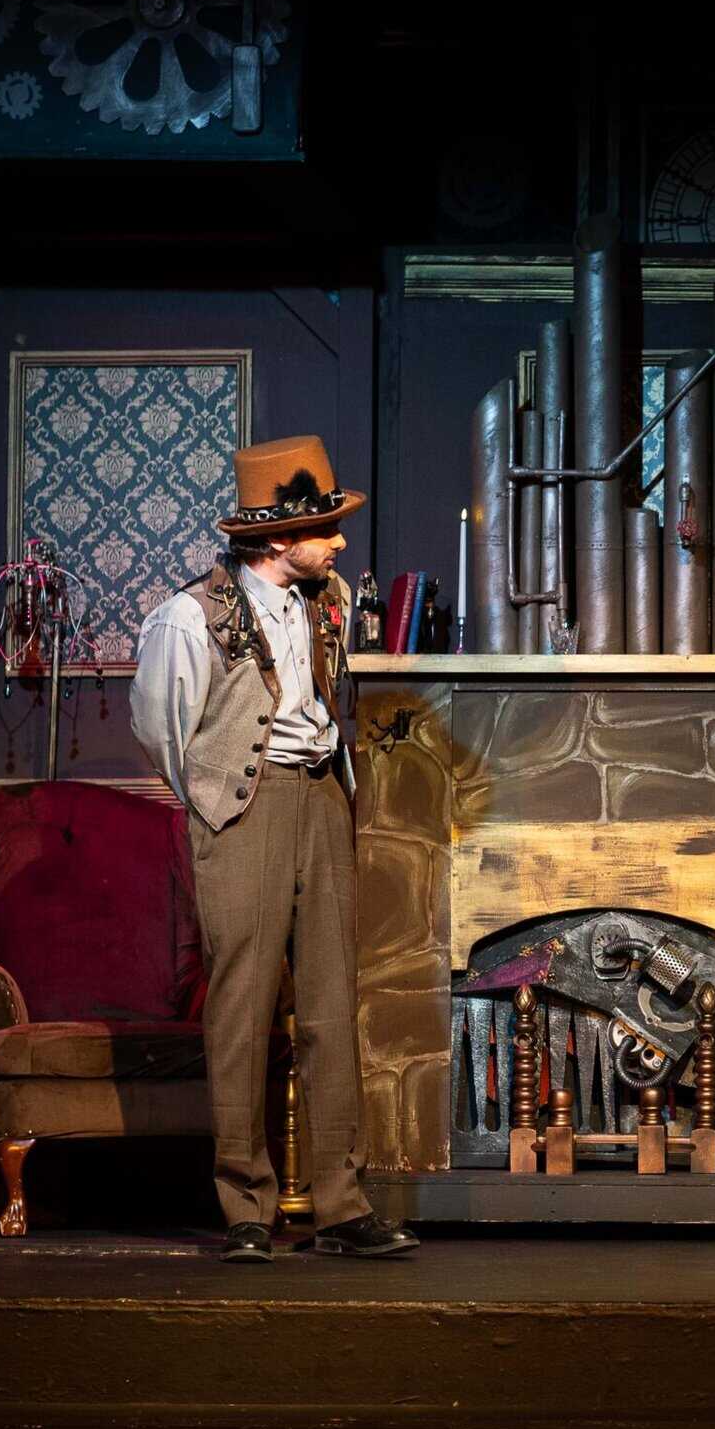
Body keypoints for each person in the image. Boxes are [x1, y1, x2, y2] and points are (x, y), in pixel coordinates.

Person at [130, 435, 417, 1263]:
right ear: (277, 537)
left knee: (330, 1004)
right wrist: (218, 800)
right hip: (245, 809)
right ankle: (245, 1205)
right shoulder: (192, 615)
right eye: (324, 529)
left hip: (323, 798)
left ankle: (341, 1204)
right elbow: (161, 728)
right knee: (243, 1007)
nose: (339, 541)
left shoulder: (326, 601)